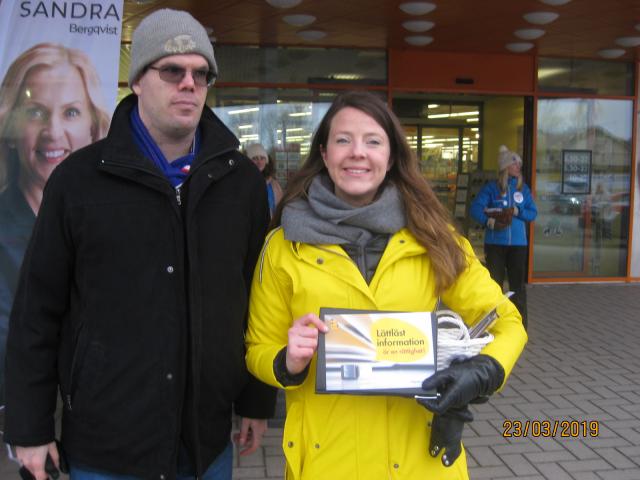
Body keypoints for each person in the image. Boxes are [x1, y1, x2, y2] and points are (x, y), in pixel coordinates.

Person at [4, 9, 276, 480]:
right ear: (137, 82)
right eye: (172, 70)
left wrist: (255, 400)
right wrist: (29, 426)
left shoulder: (240, 184)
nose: (189, 83)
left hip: (205, 445)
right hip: (106, 447)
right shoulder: (78, 181)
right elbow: (37, 309)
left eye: (201, 73)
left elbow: (259, 300)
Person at [245, 91, 527, 479]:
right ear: (324, 153)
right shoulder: (283, 247)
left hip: (420, 462)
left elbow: (507, 321)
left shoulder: (434, 238)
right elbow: (257, 348)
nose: (357, 152)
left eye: (373, 141)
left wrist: (485, 370)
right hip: (328, 463)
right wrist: (286, 362)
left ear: (391, 157)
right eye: (343, 140)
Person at [0, 43, 110, 403]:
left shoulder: (117, 219)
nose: (53, 131)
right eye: (35, 112)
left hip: (100, 411)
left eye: (72, 112)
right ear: (11, 127)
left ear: (94, 127)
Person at [470, 145, 537, 329]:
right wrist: (489, 221)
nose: (518, 167)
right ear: (505, 167)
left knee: (517, 287)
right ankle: (493, 325)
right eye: (514, 164)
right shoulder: (491, 189)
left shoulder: (523, 189)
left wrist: (518, 211)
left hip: (518, 245)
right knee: (494, 285)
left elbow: (533, 213)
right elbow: (475, 209)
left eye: (519, 164)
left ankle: (519, 326)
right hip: (495, 244)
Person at [245, 143, 283, 217]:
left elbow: (280, 208)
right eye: (255, 158)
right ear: (248, 161)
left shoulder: (273, 184)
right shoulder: (243, 183)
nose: (259, 162)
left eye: (262, 158)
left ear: (266, 161)